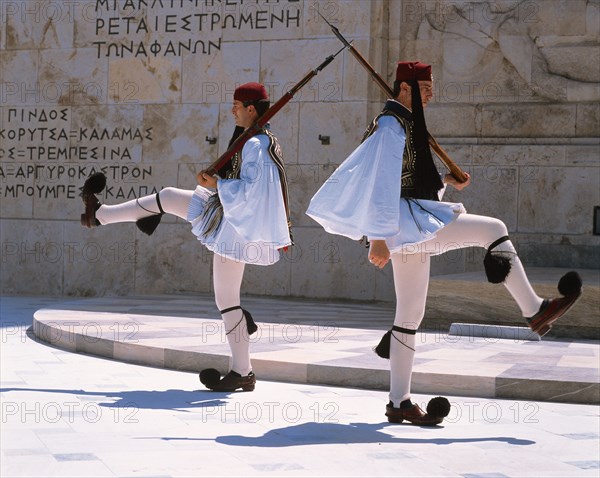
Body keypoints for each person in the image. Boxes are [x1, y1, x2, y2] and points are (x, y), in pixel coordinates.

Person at [306, 61, 582, 426]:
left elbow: (413, 184)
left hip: (406, 223)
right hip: (400, 224)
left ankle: (398, 402)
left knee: (408, 317)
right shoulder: (391, 125)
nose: (431, 91)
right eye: (424, 85)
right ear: (404, 88)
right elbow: (380, 184)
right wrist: (378, 239)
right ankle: (535, 310)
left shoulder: (406, 122)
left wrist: (446, 182)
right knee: (493, 229)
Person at [80, 82, 292, 392]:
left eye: (236, 104)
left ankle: (243, 371)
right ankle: (99, 215)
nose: (232, 109)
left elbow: (252, 192)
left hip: (236, 225)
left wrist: (217, 185)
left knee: (227, 300)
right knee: (168, 199)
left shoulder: (256, 144)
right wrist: (217, 185)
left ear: (251, 109)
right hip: (233, 218)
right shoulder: (256, 140)